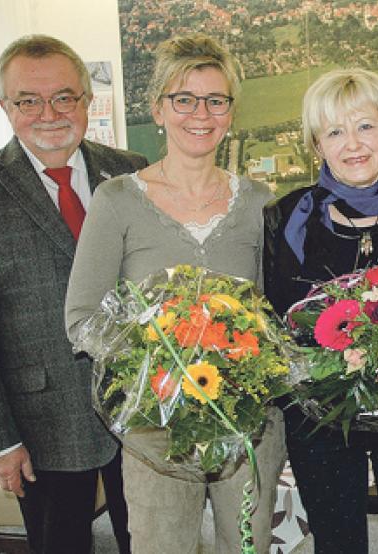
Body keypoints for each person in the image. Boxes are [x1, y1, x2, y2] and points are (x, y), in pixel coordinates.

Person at [64, 34, 283, 553]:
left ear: (231, 112)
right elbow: (82, 318)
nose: (200, 114)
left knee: (247, 547)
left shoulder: (260, 202)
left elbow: (279, 316)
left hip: (248, 427)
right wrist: (153, 361)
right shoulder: (116, 201)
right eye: (183, 99)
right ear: (158, 110)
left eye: (216, 100)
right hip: (153, 431)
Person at [0, 35, 146, 553]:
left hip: (145, 409)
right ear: (4, 107)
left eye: (64, 97)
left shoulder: (132, 171)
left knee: (152, 542)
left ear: (86, 100)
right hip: (41, 427)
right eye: (28, 100)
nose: (49, 113)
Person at [263, 68, 378, 554]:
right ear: (316, 145)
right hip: (319, 420)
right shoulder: (286, 220)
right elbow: (275, 321)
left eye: (366, 125)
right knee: (338, 544)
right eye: (334, 131)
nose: (353, 144)